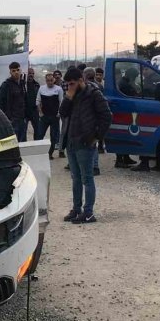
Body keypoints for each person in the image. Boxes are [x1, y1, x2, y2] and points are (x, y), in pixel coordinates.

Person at [59, 67, 111, 224]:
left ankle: (88, 213)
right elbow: (62, 113)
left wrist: (97, 137)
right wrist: (68, 96)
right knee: (75, 178)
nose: (70, 86)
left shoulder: (94, 94)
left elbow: (107, 116)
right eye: (67, 84)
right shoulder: (71, 94)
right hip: (71, 142)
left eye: (72, 83)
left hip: (85, 143)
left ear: (81, 80)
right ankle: (76, 209)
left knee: (87, 178)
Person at [0, 61, 28, 142]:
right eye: (13, 71)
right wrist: (6, 118)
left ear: (20, 70)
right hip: (12, 120)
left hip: (22, 119)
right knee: (13, 144)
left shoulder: (23, 84)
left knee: (22, 144)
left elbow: (25, 100)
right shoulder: (6, 85)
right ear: (10, 72)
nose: (16, 72)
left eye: (17, 70)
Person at [36, 73, 64, 159]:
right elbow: (38, 101)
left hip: (55, 116)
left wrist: (59, 113)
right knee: (40, 134)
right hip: (44, 116)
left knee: (53, 136)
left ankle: (50, 153)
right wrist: (40, 113)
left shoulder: (58, 89)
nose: (50, 82)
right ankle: (39, 152)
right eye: (48, 80)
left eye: (51, 80)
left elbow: (61, 101)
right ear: (46, 81)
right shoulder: (41, 88)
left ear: (54, 80)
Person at [82, 67, 103, 176]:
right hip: (96, 119)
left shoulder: (84, 87)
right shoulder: (99, 86)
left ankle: (89, 166)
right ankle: (95, 166)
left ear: (84, 75)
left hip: (87, 119)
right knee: (94, 143)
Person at [25, 67, 41, 139]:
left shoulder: (37, 85)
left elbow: (40, 98)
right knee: (23, 131)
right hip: (24, 111)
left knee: (37, 130)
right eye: (29, 73)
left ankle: (37, 144)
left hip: (34, 111)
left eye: (32, 73)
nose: (31, 75)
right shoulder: (22, 84)